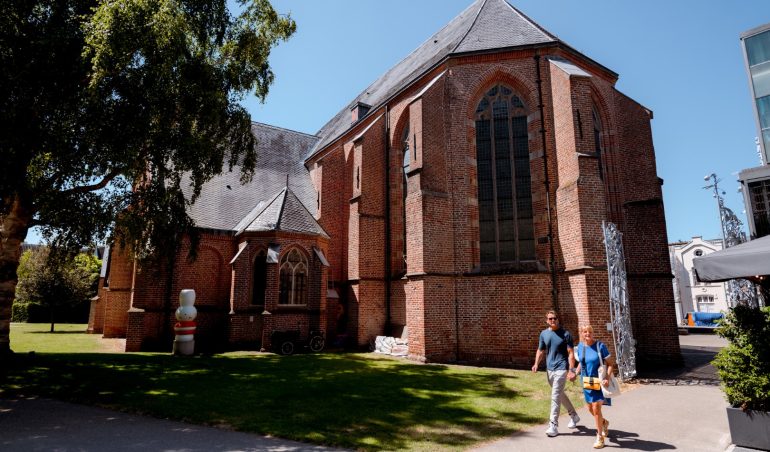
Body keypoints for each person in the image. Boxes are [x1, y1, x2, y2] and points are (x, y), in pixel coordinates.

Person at [531, 310, 579, 437]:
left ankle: (553, 425)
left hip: (561, 368)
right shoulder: (544, 334)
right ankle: (574, 415)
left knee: (555, 395)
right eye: (550, 318)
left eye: (555, 318)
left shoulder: (565, 334)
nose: (553, 320)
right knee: (559, 394)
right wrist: (536, 363)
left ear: (558, 319)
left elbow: (571, 353)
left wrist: (572, 370)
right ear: (547, 320)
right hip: (550, 369)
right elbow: (540, 350)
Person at [575, 324, 615, 449]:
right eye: (585, 332)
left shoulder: (600, 346)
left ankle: (600, 438)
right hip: (587, 381)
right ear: (581, 333)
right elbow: (582, 363)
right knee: (590, 409)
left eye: (590, 332)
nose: (587, 334)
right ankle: (603, 422)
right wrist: (575, 373)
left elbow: (610, 364)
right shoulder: (580, 346)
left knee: (596, 409)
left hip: (598, 380)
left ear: (593, 333)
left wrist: (607, 378)